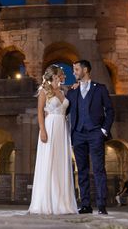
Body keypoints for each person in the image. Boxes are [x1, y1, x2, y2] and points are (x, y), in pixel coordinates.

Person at [28, 65, 78, 215]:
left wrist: (76, 86)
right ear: (53, 76)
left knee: (61, 163)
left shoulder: (63, 91)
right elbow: (39, 112)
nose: (63, 77)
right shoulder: (44, 91)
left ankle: (63, 202)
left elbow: (68, 107)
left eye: (62, 75)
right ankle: (47, 201)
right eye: (60, 75)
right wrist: (42, 130)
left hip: (63, 128)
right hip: (50, 127)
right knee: (49, 161)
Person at [67, 59, 115, 215]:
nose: (73, 73)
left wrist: (104, 130)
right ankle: (86, 204)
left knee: (99, 169)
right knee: (82, 170)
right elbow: (65, 110)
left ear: (85, 70)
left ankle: (101, 205)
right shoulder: (72, 91)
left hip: (95, 133)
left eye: (76, 69)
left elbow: (110, 110)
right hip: (78, 134)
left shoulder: (100, 89)